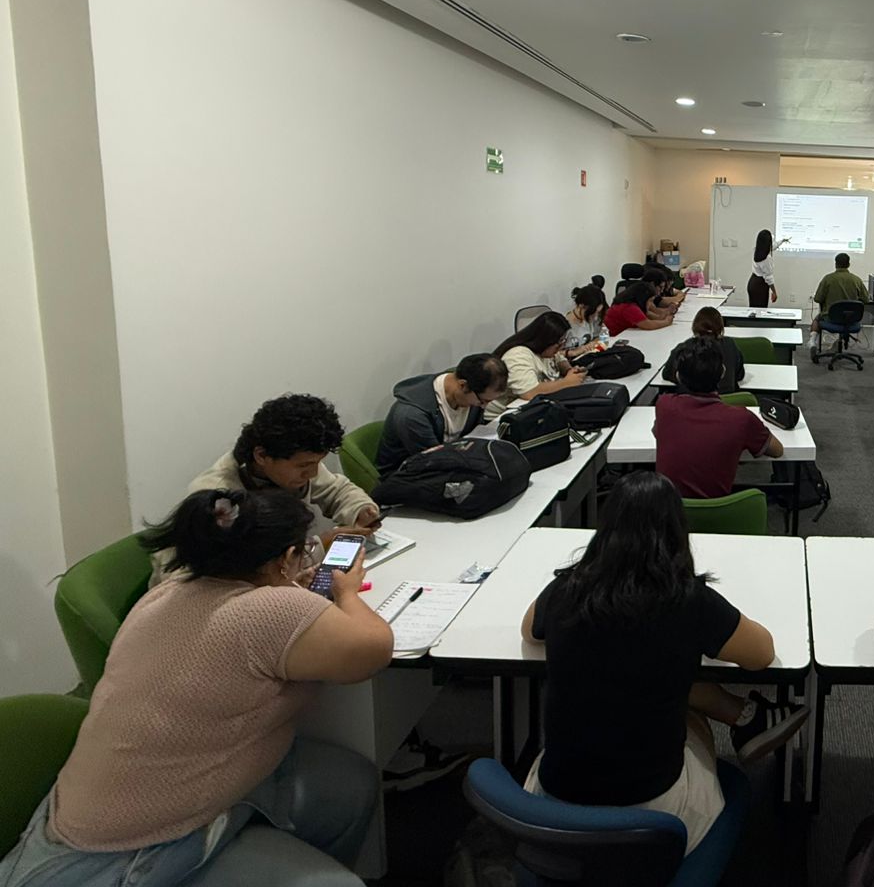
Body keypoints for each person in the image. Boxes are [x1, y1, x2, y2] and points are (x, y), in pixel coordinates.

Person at [1, 489, 393, 887]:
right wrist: (345, 592)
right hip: (130, 850)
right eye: (303, 552)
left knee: (350, 784)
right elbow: (373, 648)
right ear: (284, 559)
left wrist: (290, 588)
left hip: (162, 798)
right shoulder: (270, 611)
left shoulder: (169, 590)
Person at [521, 472, 809, 853]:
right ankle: (744, 719)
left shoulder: (568, 589)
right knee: (681, 705)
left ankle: (745, 717)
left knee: (637, 673)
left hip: (552, 811)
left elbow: (529, 630)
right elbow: (762, 653)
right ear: (677, 531)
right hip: (653, 816)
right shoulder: (688, 600)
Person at [151, 394, 380, 587]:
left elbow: (336, 489)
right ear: (261, 455)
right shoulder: (216, 497)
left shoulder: (290, 464)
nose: (312, 473)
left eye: (317, 463)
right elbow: (198, 580)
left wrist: (359, 509)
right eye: (304, 466)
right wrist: (316, 548)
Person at [655, 338, 781, 499]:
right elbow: (777, 450)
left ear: (678, 376)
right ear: (722, 372)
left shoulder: (664, 406)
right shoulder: (742, 419)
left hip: (669, 510)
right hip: (722, 511)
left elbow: (660, 434)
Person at [375, 353, 507, 476]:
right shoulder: (412, 414)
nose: (484, 406)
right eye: (483, 401)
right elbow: (435, 461)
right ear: (463, 385)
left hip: (455, 461)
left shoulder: (472, 392)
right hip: (408, 476)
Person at [487, 312, 589, 421]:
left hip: (532, 409)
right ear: (544, 340)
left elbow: (560, 360)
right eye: (559, 342)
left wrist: (570, 370)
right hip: (503, 419)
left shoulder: (548, 351)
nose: (561, 347)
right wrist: (567, 382)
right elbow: (530, 392)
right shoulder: (518, 355)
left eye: (563, 341)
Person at [663, 307, 747, 396]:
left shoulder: (686, 347)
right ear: (721, 327)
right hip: (726, 401)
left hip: (690, 401)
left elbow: (667, 373)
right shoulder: (730, 344)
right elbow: (740, 375)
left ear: (695, 326)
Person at [809, 252, 869, 337]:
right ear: (849, 264)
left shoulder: (827, 279)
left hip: (831, 318)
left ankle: (812, 341)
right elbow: (866, 299)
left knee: (816, 319)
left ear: (836, 264)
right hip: (851, 319)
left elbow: (817, 299)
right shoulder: (857, 280)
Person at [604, 280, 676, 337]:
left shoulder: (632, 304)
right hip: (614, 338)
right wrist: (666, 322)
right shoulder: (629, 307)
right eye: (650, 301)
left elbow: (649, 315)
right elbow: (648, 324)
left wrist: (664, 316)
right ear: (643, 299)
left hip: (626, 334)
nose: (651, 304)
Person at [560, 284, 609, 355]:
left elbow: (603, 336)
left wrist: (593, 343)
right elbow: (551, 354)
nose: (595, 317)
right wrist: (572, 352)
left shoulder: (590, 319)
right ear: (582, 306)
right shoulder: (564, 325)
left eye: (598, 313)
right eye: (593, 313)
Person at [747, 229, 787, 306]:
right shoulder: (766, 258)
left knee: (754, 308)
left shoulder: (757, 250)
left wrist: (782, 241)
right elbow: (769, 277)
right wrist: (774, 292)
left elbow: (772, 247)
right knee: (761, 309)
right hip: (760, 286)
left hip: (753, 283)